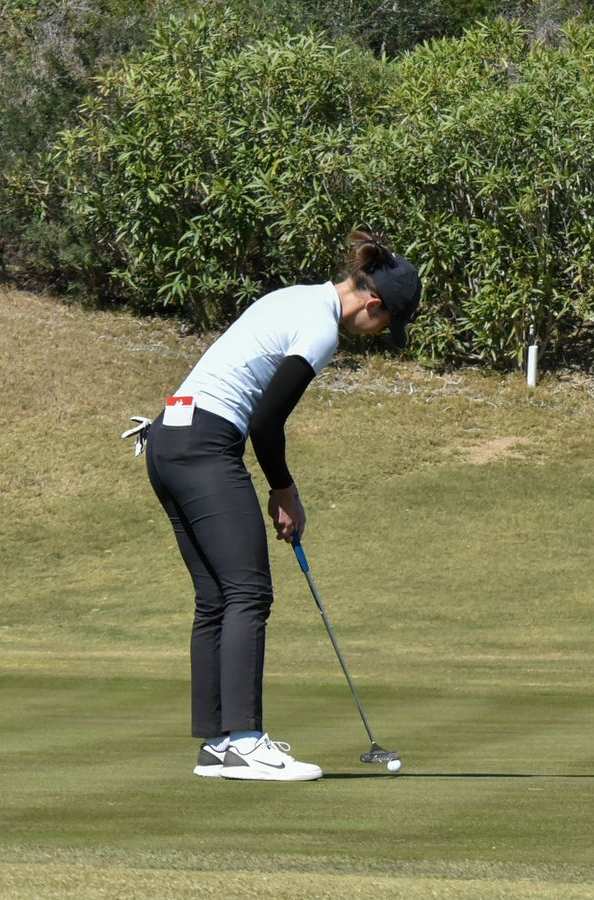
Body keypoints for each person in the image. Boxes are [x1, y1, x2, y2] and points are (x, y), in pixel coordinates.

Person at [136, 231, 420, 781]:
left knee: (216, 597)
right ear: (373, 303)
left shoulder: (291, 296)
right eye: (386, 325)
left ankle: (219, 745)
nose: (378, 334)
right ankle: (245, 740)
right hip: (204, 446)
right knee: (249, 591)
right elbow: (266, 423)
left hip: (168, 442)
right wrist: (284, 491)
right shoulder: (319, 328)